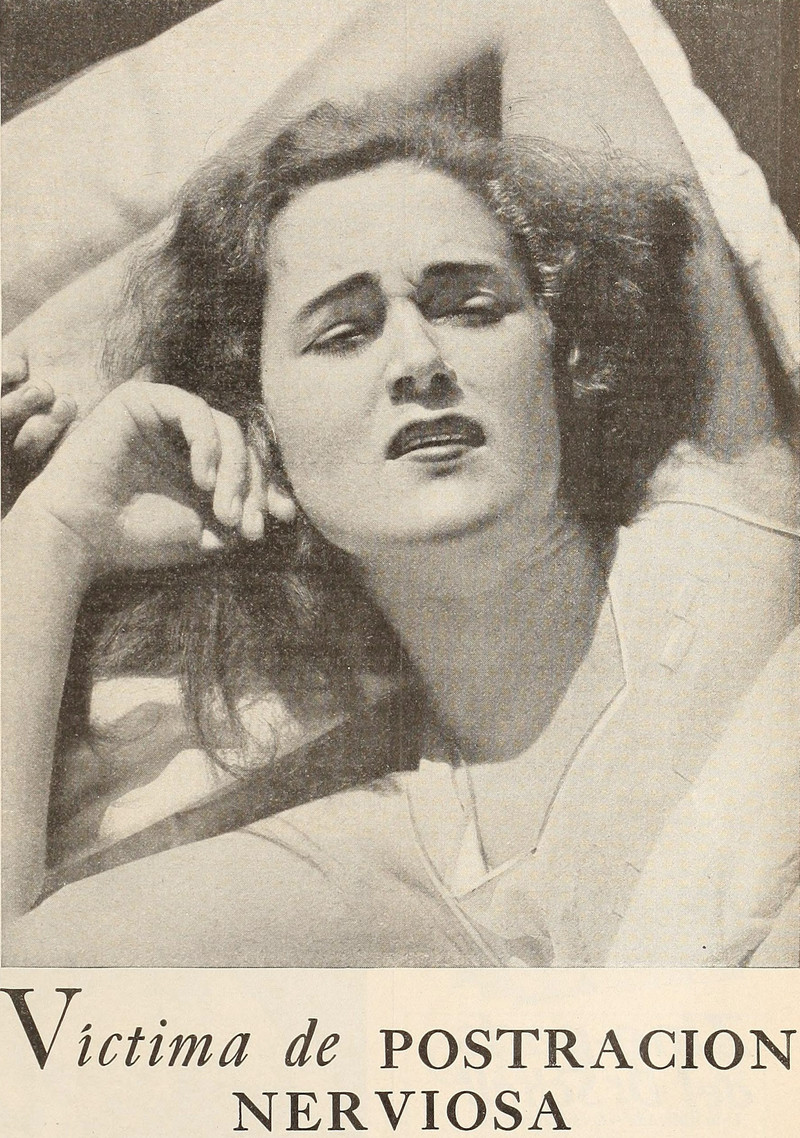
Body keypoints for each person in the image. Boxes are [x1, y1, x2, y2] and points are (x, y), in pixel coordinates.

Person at [2, 0, 798, 967]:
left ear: (563, 357)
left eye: (471, 306)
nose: (419, 358)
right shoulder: (397, 863)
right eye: (344, 333)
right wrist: (51, 535)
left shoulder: (726, 509)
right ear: (262, 431)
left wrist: (101, 309)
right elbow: (21, 984)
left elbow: (538, 11)